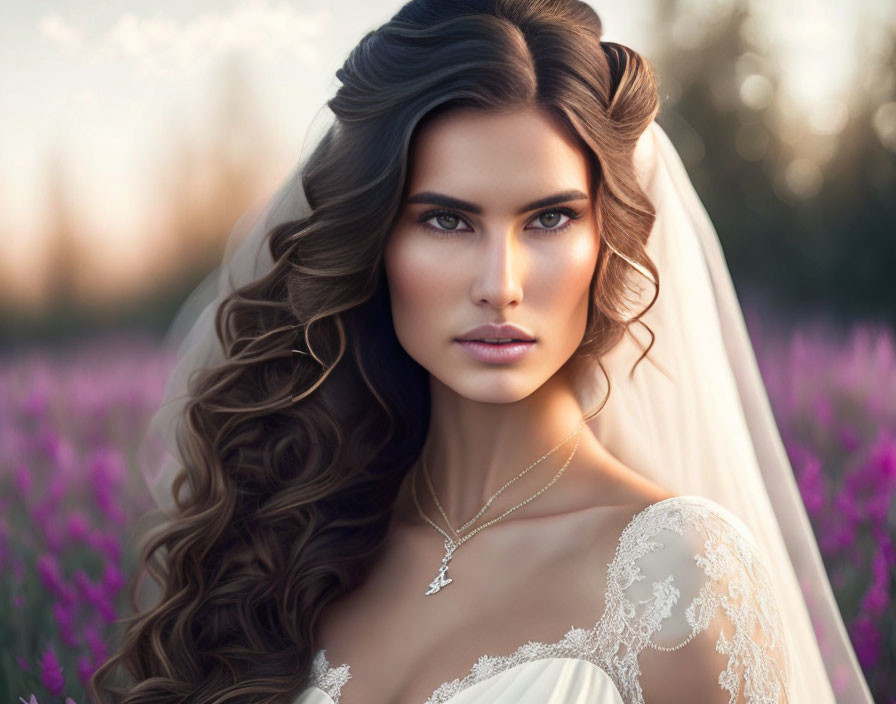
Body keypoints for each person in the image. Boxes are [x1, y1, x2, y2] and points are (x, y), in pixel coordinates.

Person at [89, 1, 874, 703]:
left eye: (549, 219)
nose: (500, 285)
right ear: (376, 241)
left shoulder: (678, 571)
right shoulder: (298, 540)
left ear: (609, 240)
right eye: (446, 221)